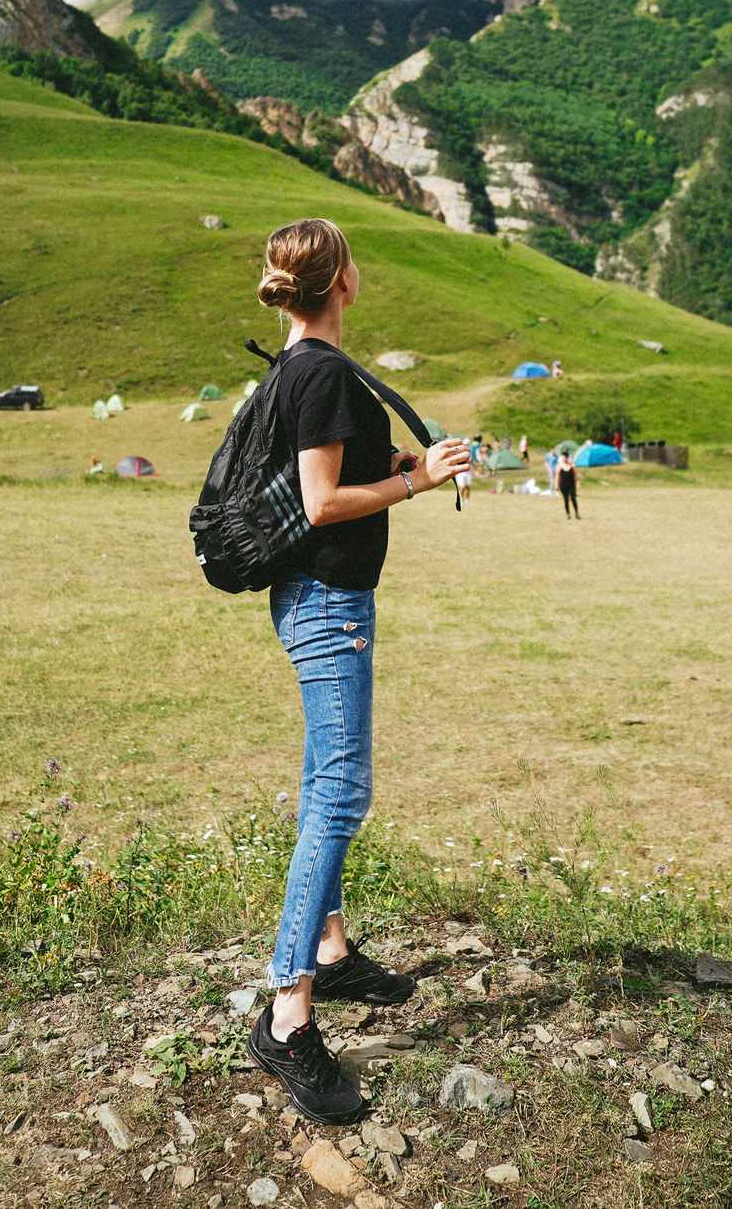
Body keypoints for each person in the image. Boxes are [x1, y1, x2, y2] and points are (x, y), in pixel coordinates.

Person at [245, 218, 473, 1124]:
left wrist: (419, 461)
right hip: (329, 602)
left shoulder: (291, 366)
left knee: (320, 778)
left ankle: (332, 951)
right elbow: (322, 499)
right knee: (341, 789)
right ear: (340, 279)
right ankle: (288, 1007)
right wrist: (415, 485)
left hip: (309, 595)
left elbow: (335, 469)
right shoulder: (327, 373)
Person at [557, 447, 581, 519]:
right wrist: (556, 484)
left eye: (565, 457)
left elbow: (576, 476)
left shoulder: (572, 465)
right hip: (563, 484)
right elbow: (557, 475)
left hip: (571, 484)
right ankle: (568, 514)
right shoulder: (560, 465)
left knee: (573, 498)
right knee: (566, 499)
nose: (564, 458)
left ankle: (576, 513)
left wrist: (578, 483)